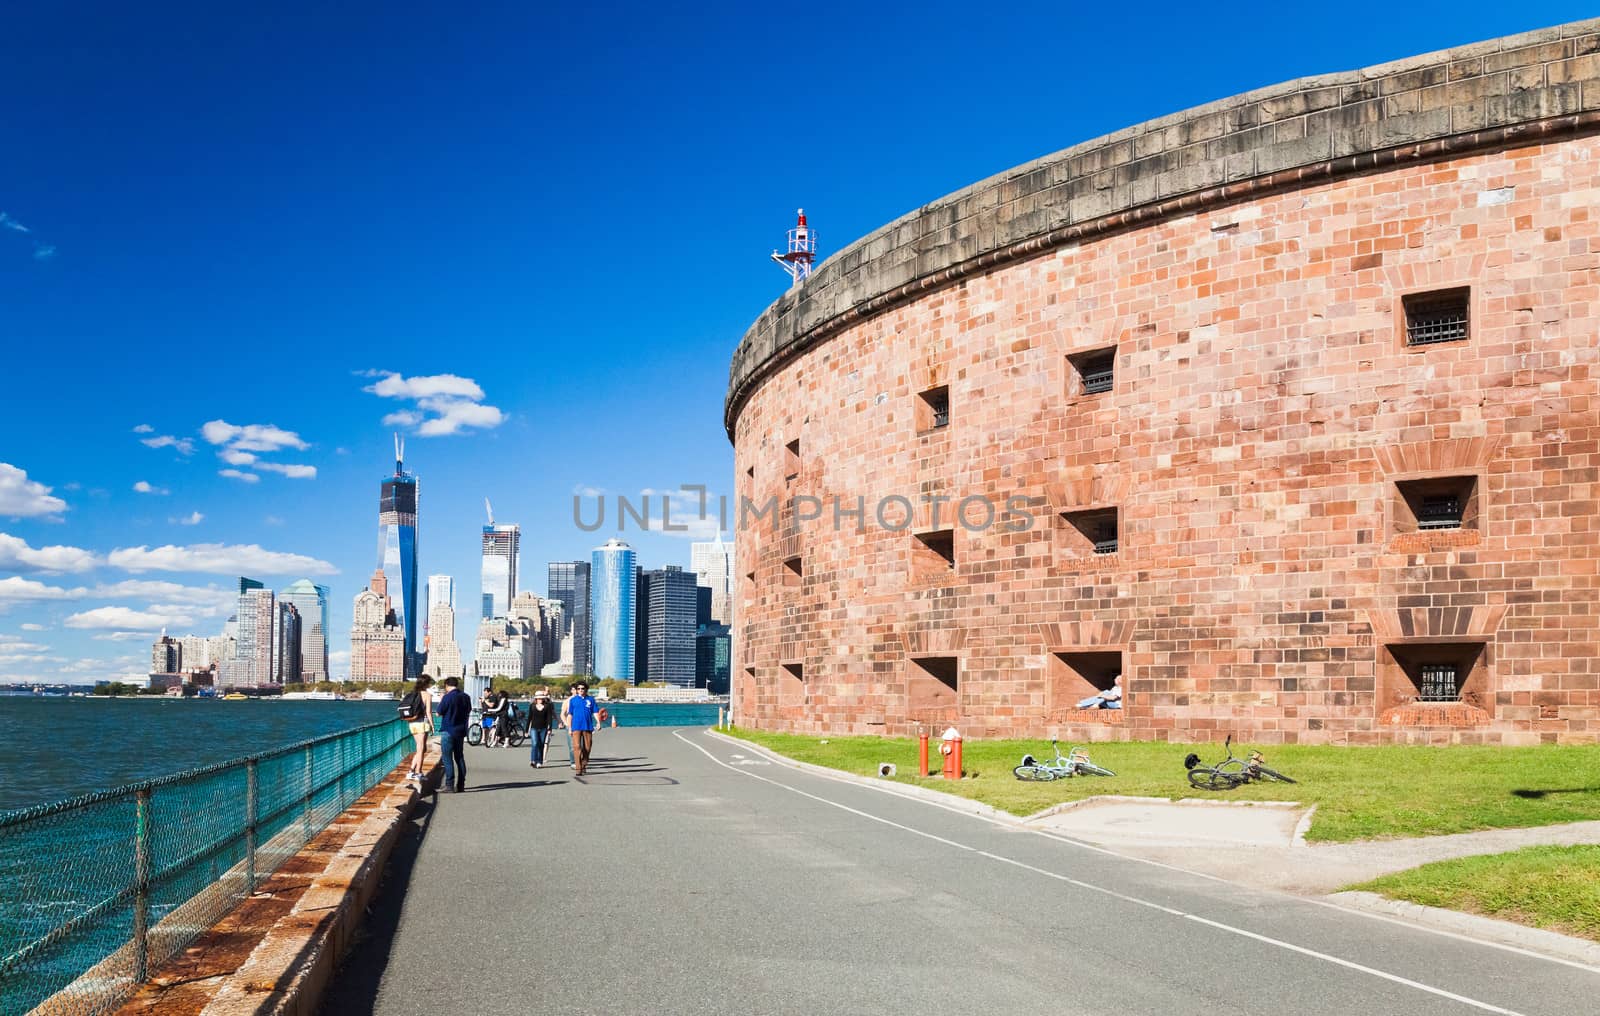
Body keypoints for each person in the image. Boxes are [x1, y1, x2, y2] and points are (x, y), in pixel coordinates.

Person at [435, 676, 471, 792]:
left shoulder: (447, 697)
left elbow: (438, 713)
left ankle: (449, 784)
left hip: (448, 730)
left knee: (447, 758)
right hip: (460, 731)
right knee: (459, 757)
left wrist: (441, 700)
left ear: (447, 686)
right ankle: (461, 784)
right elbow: (469, 710)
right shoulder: (466, 697)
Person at [399, 676, 434, 785]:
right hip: (422, 724)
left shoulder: (412, 694)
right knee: (421, 749)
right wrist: (432, 725)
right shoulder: (427, 695)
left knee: (420, 749)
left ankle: (411, 771)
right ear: (426, 684)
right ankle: (418, 772)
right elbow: (428, 712)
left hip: (412, 723)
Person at [562, 681, 600, 776]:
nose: (580, 690)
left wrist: (598, 722)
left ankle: (584, 764)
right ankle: (578, 769)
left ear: (586, 689)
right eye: (578, 689)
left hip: (587, 726)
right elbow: (570, 715)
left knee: (587, 748)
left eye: (582, 688)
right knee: (576, 747)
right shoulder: (573, 700)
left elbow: (595, 712)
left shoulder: (591, 699)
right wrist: (569, 727)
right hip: (576, 727)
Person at [527, 689, 556, 768]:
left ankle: (539, 761)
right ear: (535, 699)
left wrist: (550, 728)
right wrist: (526, 730)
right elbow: (529, 718)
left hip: (544, 728)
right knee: (535, 743)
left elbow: (549, 718)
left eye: (541, 698)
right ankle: (533, 760)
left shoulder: (547, 706)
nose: (540, 700)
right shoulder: (532, 706)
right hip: (534, 728)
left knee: (541, 744)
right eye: (538, 698)